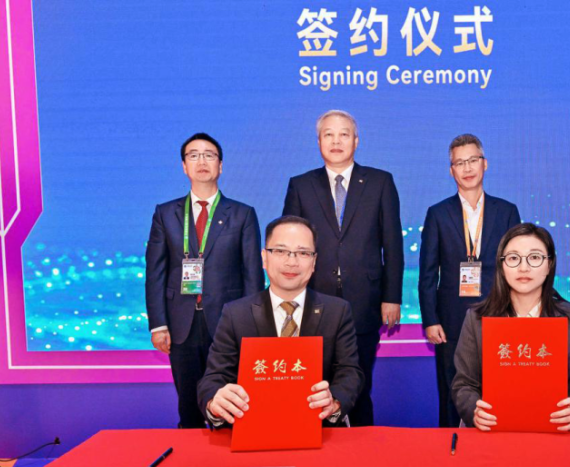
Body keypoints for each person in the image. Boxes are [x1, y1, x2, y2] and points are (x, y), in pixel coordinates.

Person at [283, 110, 404, 426]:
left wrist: (391, 297)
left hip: (364, 300)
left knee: (359, 385)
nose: (336, 141)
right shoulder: (301, 185)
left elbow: (392, 245)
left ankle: (362, 445)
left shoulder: (379, 182)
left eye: (344, 134)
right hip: (313, 300)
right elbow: (288, 245)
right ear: (318, 141)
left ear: (356, 141)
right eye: (329, 134)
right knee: (314, 386)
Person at [146, 133, 264, 428]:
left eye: (209, 155)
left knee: (231, 407)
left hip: (228, 323)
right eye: (194, 155)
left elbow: (252, 275)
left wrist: (251, 326)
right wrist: (158, 324)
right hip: (181, 325)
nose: (202, 161)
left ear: (220, 166)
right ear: (184, 166)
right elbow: (156, 272)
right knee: (189, 408)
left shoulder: (242, 214)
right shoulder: (165, 214)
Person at [197, 216, 363, 427]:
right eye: (281, 251)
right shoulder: (236, 314)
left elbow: (350, 372)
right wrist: (215, 401)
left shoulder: (337, 311)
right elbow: (213, 378)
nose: (291, 262)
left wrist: (335, 401)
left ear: (314, 262)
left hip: (320, 428)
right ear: (264, 258)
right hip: (253, 428)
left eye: (303, 253)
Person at [451, 223, 570, 431]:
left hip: (557, 435)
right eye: (513, 258)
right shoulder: (477, 319)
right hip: (493, 434)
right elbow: (463, 385)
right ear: (502, 265)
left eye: (534, 257)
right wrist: (475, 410)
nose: (523, 268)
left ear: (549, 264)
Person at [419, 134, 521, 427]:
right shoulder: (438, 213)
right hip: (451, 319)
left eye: (472, 160)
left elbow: (516, 266)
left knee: (499, 389)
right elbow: (428, 272)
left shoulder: (507, 211)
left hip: (498, 315)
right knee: (452, 389)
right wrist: (430, 320)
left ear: (484, 164)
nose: (467, 168)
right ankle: (451, 446)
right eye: (459, 163)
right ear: (451, 170)